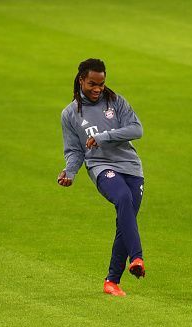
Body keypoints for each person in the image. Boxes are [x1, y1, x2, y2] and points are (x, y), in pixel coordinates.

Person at [57, 58, 145, 297]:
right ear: (81, 80)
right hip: (101, 166)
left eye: (101, 84)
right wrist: (70, 172)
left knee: (124, 220)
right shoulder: (70, 114)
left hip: (131, 167)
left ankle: (111, 281)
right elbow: (75, 150)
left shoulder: (116, 102)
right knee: (123, 199)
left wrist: (105, 136)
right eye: (92, 84)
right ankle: (137, 258)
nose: (97, 89)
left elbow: (137, 129)